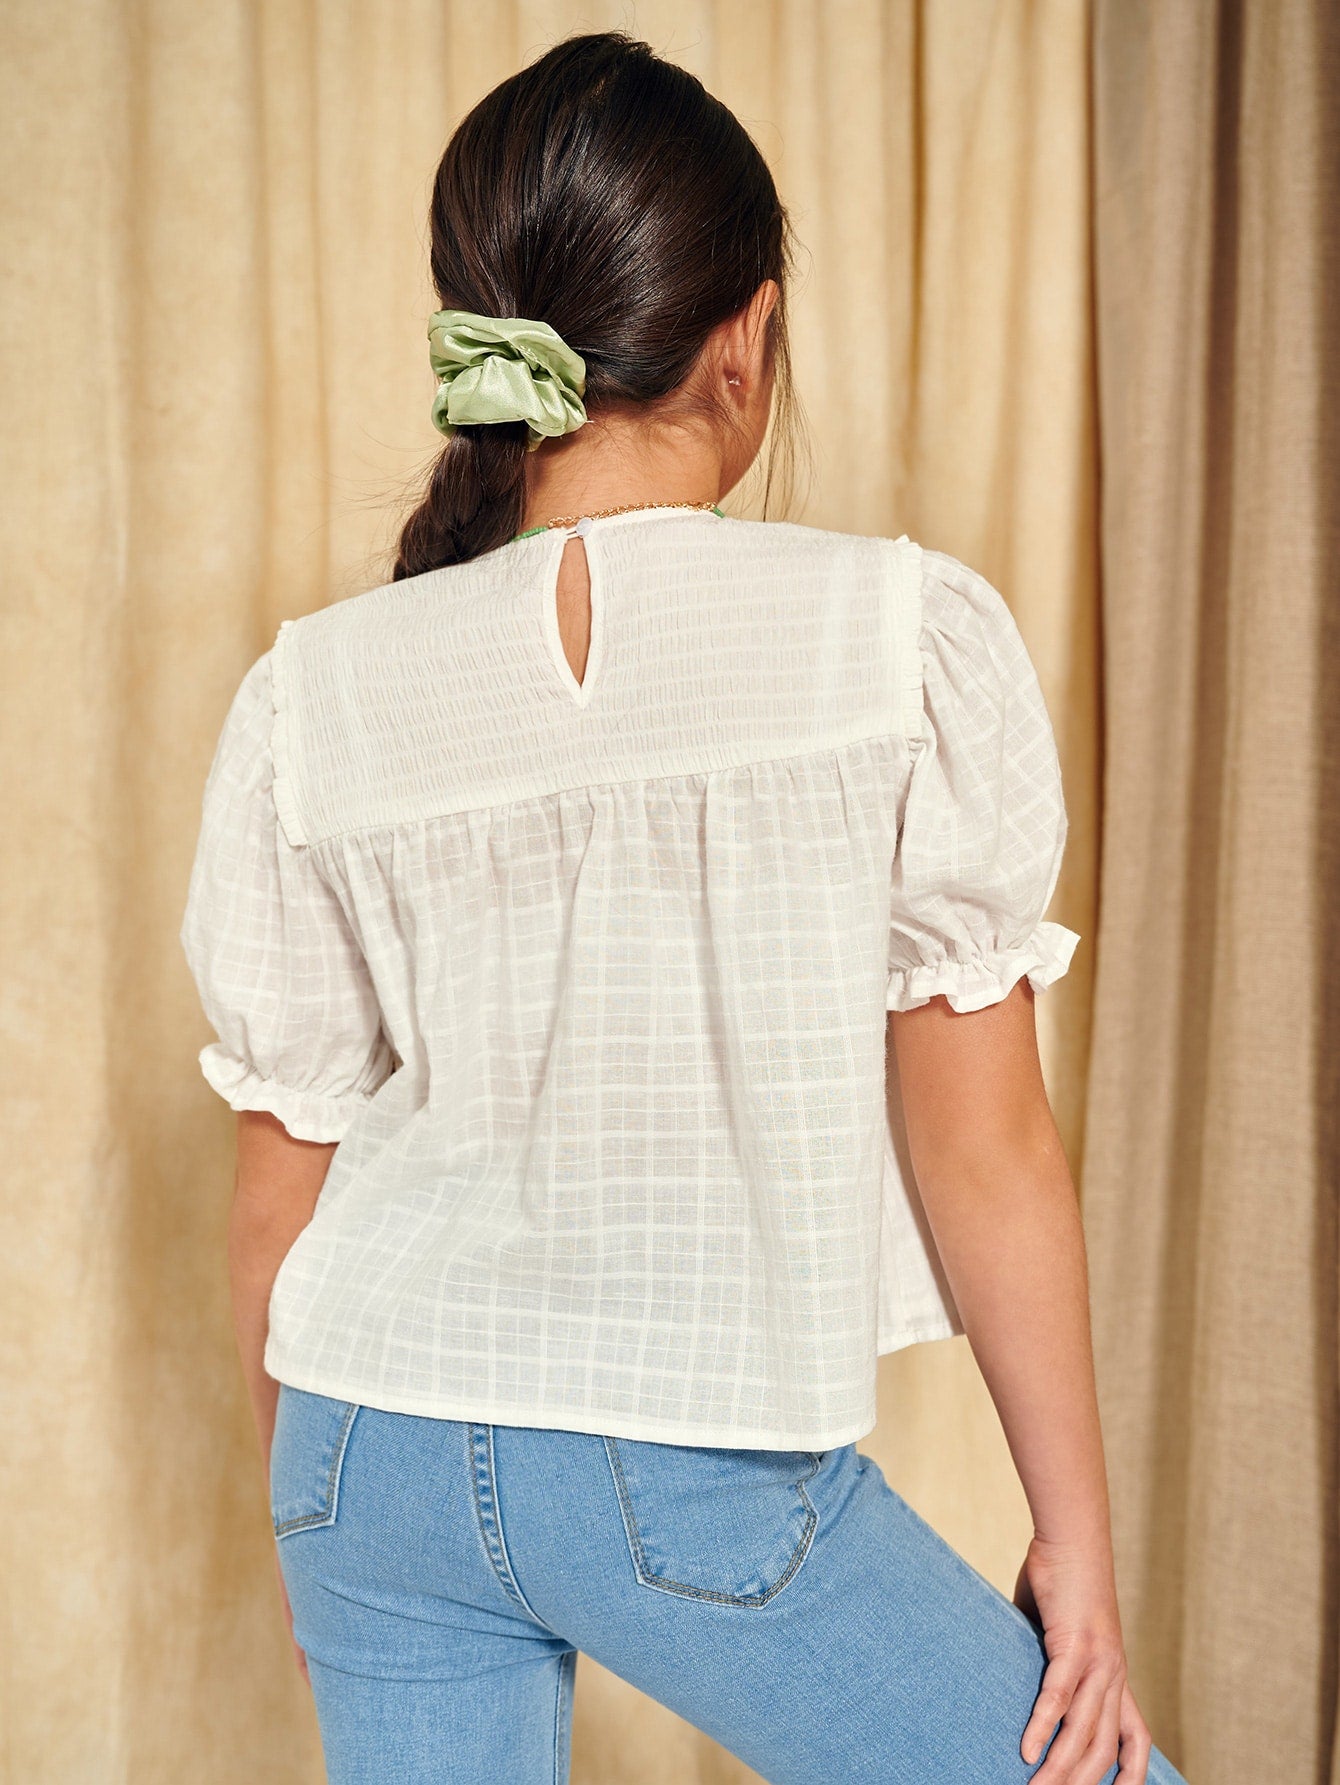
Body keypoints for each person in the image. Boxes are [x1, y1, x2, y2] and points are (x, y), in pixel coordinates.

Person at [180, 30, 1189, 1785]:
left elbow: (279, 1195)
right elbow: (984, 1145)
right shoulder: (894, 642)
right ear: (747, 336)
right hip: (683, 1448)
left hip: (359, 1443)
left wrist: (313, 1518)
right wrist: (1078, 1547)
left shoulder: (309, 695)